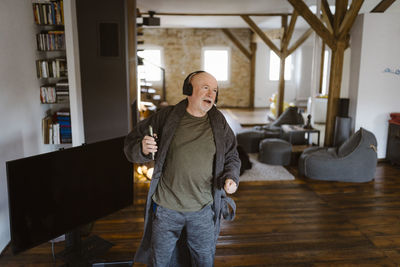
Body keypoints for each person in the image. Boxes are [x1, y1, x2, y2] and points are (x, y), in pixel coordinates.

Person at [124, 71, 240, 266]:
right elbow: (130, 145)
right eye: (205, 88)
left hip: (204, 209)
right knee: (160, 261)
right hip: (166, 208)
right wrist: (142, 149)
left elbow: (232, 155)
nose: (211, 94)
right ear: (188, 90)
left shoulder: (219, 122)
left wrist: (231, 177)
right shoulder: (166, 117)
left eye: (215, 90)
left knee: (203, 261)